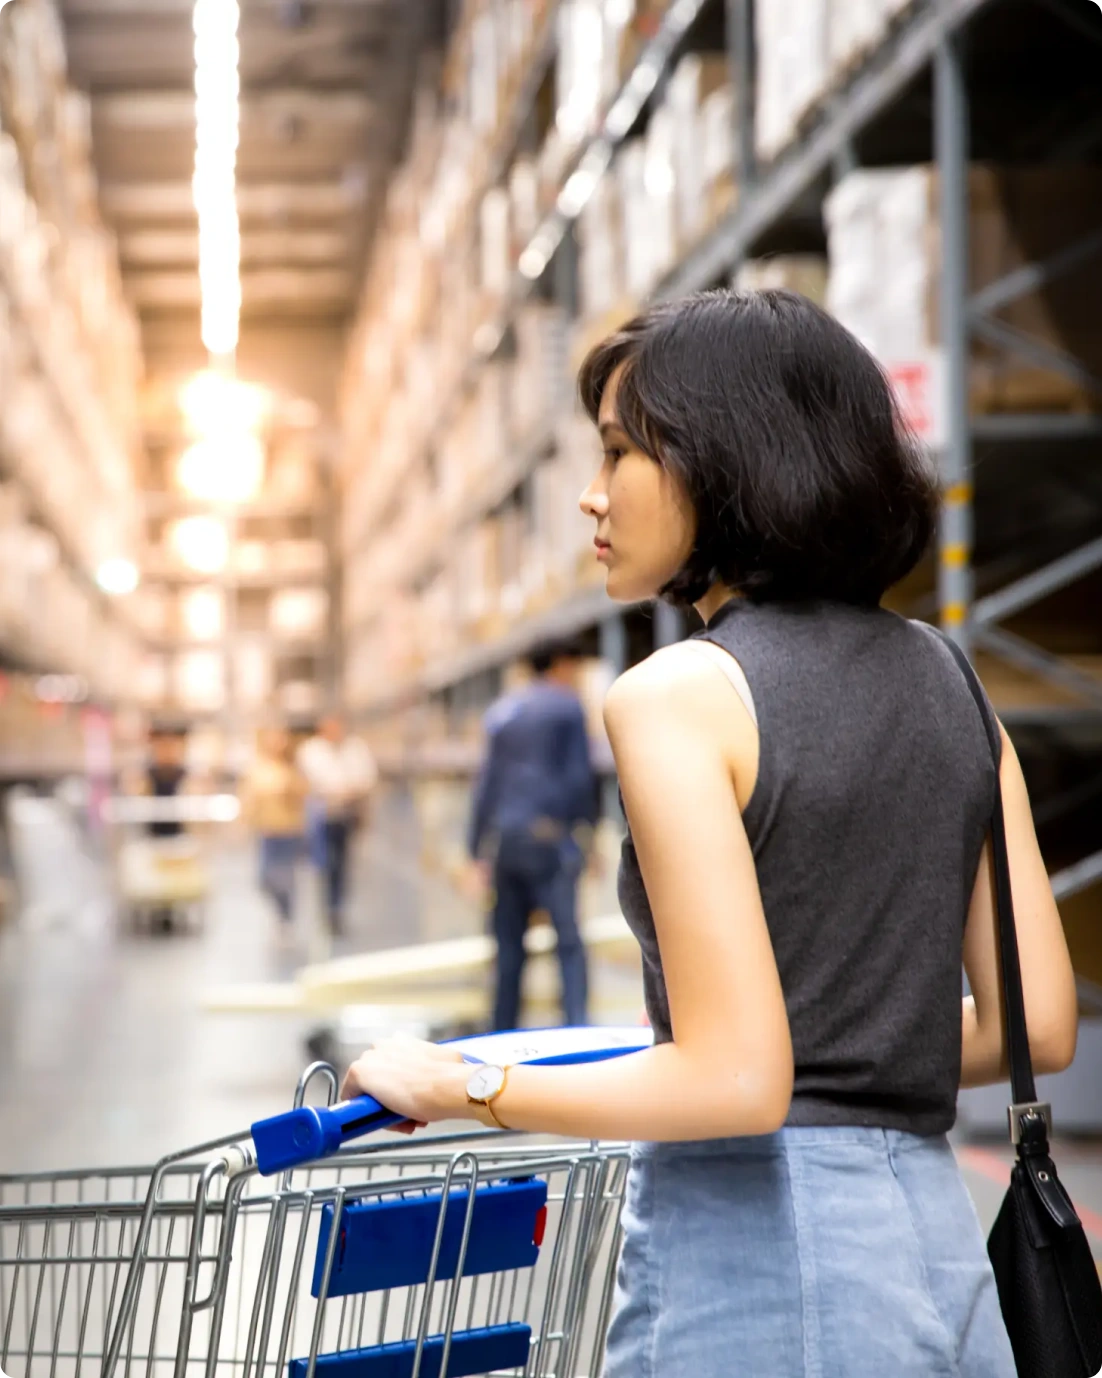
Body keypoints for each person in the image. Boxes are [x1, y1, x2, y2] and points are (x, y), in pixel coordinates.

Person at [340, 290, 1079, 1376]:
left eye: (618, 455)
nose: (590, 500)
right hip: (937, 1246)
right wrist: (835, 1058)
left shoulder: (678, 695)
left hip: (767, 1262)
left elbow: (736, 1083)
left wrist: (465, 1087)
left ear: (723, 459)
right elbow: (1040, 1024)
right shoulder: (952, 682)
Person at [467, 639, 598, 1030]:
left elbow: (486, 783)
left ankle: (502, 1030)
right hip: (549, 841)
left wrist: (475, 848)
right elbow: (579, 776)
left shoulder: (502, 711)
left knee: (509, 948)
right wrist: (587, 833)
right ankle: (577, 1028)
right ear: (559, 665)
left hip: (506, 843)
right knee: (568, 944)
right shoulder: (567, 706)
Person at [296, 715, 377, 935]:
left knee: (341, 863)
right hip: (321, 815)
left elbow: (367, 778)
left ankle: (336, 909)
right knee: (322, 863)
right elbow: (307, 781)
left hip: (346, 814)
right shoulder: (311, 751)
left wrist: (350, 792)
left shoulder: (355, 749)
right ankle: (323, 907)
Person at [240, 727, 308, 936]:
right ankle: (281, 910)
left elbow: (303, 794)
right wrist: (246, 822)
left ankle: (286, 916)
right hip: (268, 830)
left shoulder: (292, 769)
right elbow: (249, 798)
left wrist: (289, 790)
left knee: (286, 876)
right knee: (266, 877)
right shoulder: (259, 769)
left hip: (289, 830)